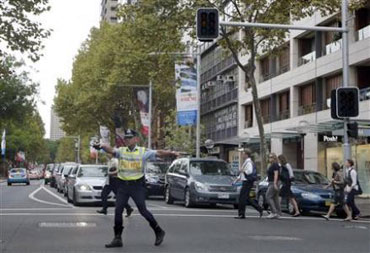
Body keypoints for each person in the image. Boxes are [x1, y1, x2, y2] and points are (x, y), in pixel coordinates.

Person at [96, 129, 179, 248]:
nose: (127, 140)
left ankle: (158, 231)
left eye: (129, 138)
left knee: (143, 210)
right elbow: (111, 150)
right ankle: (117, 238)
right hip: (123, 185)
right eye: (126, 138)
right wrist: (102, 146)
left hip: (136, 186)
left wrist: (171, 153)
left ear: (136, 139)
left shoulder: (142, 152)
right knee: (118, 210)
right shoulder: (121, 151)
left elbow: (158, 153)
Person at [234, 148, 264, 219]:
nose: (242, 155)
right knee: (247, 198)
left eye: (243, 153)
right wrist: (238, 179)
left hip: (247, 182)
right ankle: (259, 208)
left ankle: (241, 214)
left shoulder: (248, 162)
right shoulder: (247, 162)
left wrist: (243, 170)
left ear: (246, 155)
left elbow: (249, 171)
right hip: (247, 181)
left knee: (242, 198)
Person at [265, 153, 282, 219]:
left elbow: (276, 174)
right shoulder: (272, 165)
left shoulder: (275, 165)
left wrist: (275, 183)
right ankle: (278, 213)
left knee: (268, 196)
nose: (270, 158)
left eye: (271, 157)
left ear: (274, 158)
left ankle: (274, 212)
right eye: (269, 157)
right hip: (273, 182)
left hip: (274, 182)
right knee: (275, 198)